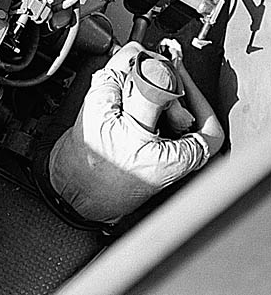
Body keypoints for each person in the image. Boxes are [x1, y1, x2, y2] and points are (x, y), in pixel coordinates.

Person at [40, 38, 224, 227]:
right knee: (210, 162)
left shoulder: (101, 107)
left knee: (102, 53)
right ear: (167, 103)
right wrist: (179, 74)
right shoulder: (167, 159)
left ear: (127, 86)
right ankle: (116, 234)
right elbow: (216, 137)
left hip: (46, 175)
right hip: (92, 221)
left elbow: (132, 48)